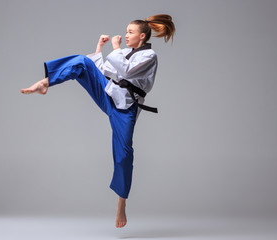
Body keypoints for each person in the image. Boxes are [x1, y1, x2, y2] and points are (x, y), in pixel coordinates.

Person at [21, 14, 175, 228]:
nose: (126, 35)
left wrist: (115, 47)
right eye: (126, 31)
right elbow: (107, 71)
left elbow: (126, 70)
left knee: (123, 155)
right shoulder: (128, 52)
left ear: (142, 36)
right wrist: (99, 48)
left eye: (130, 32)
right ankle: (46, 82)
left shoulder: (149, 56)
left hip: (125, 109)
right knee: (82, 62)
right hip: (109, 94)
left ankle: (121, 203)